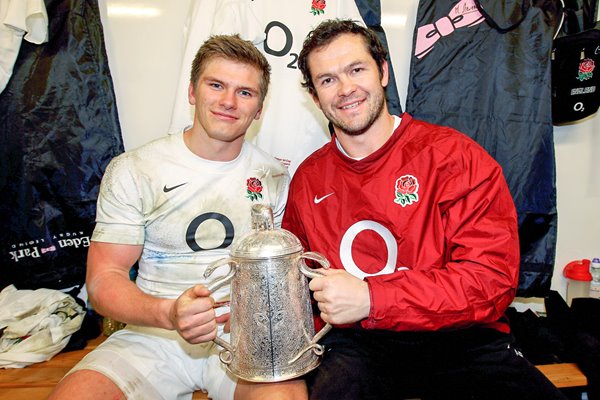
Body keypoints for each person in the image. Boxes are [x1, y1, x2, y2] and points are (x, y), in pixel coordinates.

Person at [282, 19, 569, 400]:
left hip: (460, 339)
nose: (346, 89)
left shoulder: (455, 157)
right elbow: (294, 287)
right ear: (315, 97)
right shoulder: (308, 179)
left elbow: (491, 280)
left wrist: (372, 297)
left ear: (382, 71)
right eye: (328, 80)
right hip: (359, 346)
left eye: (356, 69)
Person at [49, 34, 308, 400]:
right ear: (192, 92)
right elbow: (104, 280)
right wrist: (169, 314)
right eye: (216, 85)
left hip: (242, 337)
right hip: (152, 335)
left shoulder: (274, 177)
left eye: (245, 93)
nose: (228, 102)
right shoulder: (136, 168)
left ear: (260, 109)